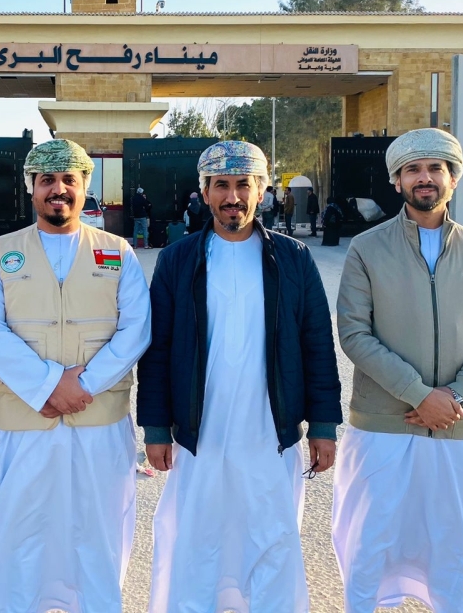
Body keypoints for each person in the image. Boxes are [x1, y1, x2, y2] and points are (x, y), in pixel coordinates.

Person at [137, 140, 342, 613]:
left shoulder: (293, 257)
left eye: (243, 185)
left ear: (262, 190)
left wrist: (324, 424)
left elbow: (316, 343)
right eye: (221, 186)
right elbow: (158, 348)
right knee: (198, 534)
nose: (233, 197)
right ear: (205, 192)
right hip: (200, 431)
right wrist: (155, 427)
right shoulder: (177, 260)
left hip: (269, 430)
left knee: (271, 533)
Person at [333, 128, 463, 613]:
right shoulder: (368, 249)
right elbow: (354, 333)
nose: (425, 178)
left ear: (453, 178)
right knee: (370, 541)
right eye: (413, 169)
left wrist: (456, 396)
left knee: (457, 548)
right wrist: (420, 395)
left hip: (457, 424)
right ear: (396, 180)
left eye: (436, 168)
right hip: (383, 425)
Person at [0, 139, 152, 613]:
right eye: (47, 180)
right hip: (25, 421)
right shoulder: (0, 253)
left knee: (98, 530)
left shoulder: (117, 251)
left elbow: (136, 328)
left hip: (99, 419)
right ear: (32, 188)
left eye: (69, 179)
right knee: (16, 533)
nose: (58, 190)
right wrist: (48, 384)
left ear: (85, 187)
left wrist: (80, 387)